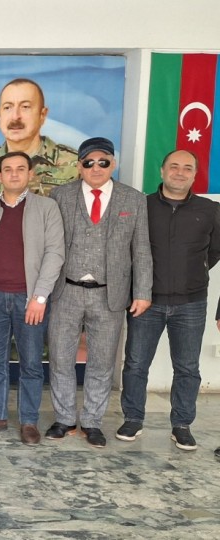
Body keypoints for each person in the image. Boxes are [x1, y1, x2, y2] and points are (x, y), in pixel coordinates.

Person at [47, 137, 152, 449]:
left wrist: (143, 291)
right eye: (89, 162)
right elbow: (49, 244)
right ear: (79, 166)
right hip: (66, 290)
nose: (96, 167)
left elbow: (141, 249)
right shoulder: (60, 195)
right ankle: (64, 418)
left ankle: (92, 421)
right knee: (60, 358)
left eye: (103, 162)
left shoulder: (133, 199)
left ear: (113, 164)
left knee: (102, 362)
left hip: (110, 294)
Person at [119, 150, 220, 452]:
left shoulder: (210, 210)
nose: (180, 172)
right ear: (162, 171)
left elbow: (215, 251)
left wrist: (195, 271)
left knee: (187, 367)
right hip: (146, 301)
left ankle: (182, 425)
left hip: (191, 303)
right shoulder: (142, 206)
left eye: (187, 168)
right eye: (173, 166)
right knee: (136, 363)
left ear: (195, 174)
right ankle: (133, 419)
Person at [0, 152, 64, 444]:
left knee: (31, 363)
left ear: (30, 174)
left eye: (21, 169)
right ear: (0, 175)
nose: (14, 174)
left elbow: (55, 253)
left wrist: (40, 297)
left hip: (29, 298)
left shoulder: (47, 208)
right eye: (8, 169)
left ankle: (29, 420)